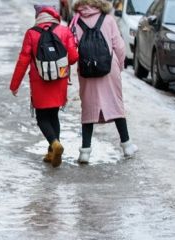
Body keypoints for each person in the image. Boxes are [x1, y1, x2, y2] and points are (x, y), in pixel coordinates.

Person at [10, 4, 79, 168]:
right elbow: (74, 57)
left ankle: (54, 144)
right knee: (54, 115)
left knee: (42, 118)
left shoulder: (32, 33)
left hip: (39, 81)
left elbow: (23, 60)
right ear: (55, 15)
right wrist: (59, 62)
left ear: (38, 16)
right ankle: (51, 151)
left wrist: (15, 85)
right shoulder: (64, 31)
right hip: (59, 80)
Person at [71, 0, 137, 164]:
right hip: (109, 68)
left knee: (88, 108)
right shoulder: (108, 20)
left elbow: (71, 46)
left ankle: (85, 151)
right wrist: (119, 66)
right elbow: (120, 46)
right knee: (116, 105)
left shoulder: (76, 20)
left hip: (86, 69)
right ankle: (127, 145)